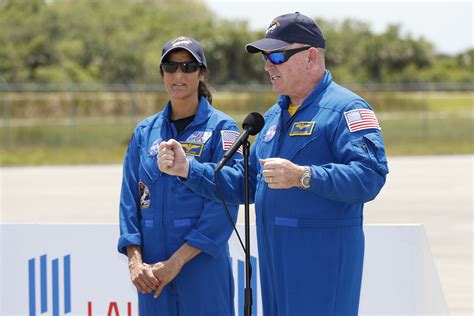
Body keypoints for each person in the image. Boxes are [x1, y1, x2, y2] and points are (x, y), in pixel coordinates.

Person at [158, 12, 389, 315]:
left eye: (277, 56)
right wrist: (187, 169)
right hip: (274, 262)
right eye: (265, 57)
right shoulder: (271, 118)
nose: (268, 65)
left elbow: (370, 175)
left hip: (321, 262)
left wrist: (304, 176)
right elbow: (249, 184)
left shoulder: (346, 109)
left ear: (310, 57)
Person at [117, 36, 241, 315]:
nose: (178, 75)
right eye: (170, 67)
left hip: (201, 267)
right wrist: (135, 262)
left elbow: (225, 201)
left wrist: (176, 262)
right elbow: (130, 200)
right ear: (162, 74)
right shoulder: (144, 132)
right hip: (152, 273)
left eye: (188, 67)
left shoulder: (223, 128)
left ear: (201, 73)